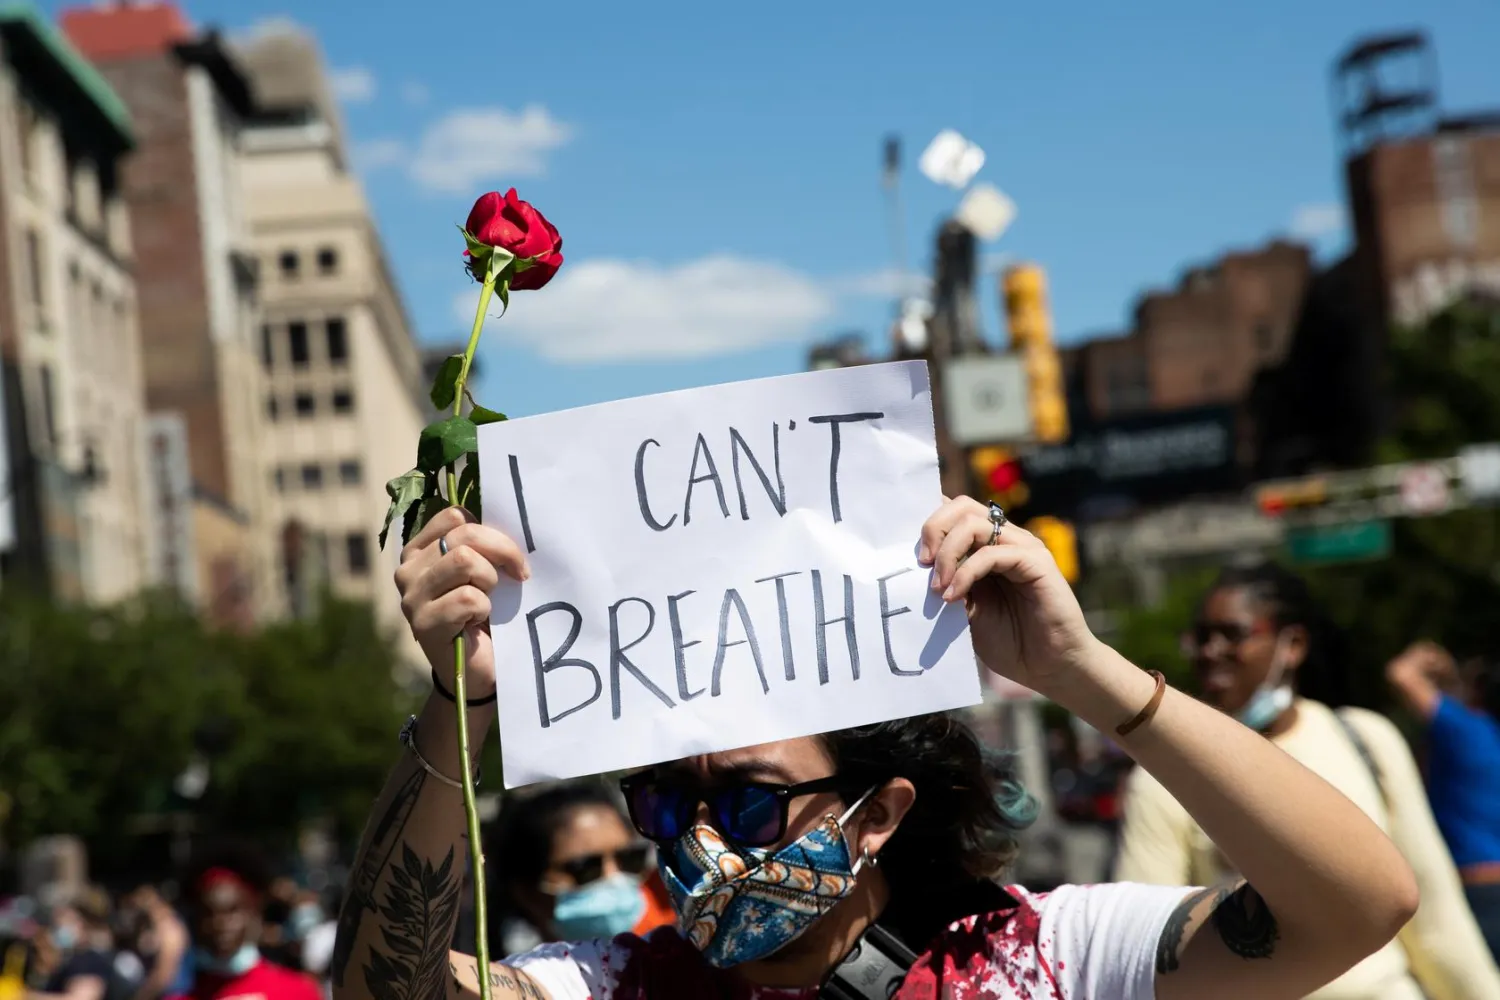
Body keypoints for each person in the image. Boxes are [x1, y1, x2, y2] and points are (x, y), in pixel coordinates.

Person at [333, 500, 1420, 999]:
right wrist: (453, 702)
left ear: (881, 810)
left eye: (754, 803)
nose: (704, 843)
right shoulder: (613, 987)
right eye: (667, 807)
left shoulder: (1053, 960)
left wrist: (1084, 670)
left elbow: (1357, 904)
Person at [1115, 563, 1500, 1000]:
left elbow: (1435, 916)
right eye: (1201, 637)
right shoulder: (1164, 775)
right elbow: (1143, 949)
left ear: (1292, 645)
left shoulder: (1366, 740)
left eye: (1232, 634)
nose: (1210, 651)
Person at [1388, 640, 1500, 959]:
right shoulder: (1483, 736)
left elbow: (1401, 675)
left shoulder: (1463, 730)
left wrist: (1427, 656)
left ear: (1476, 692)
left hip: (1475, 891)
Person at [488, 782, 676, 955]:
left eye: (628, 859)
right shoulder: (508, 986)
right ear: (527, 893)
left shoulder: (679, 954)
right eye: (585, 867)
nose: (614, 877)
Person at [169, 860, 321, 1000]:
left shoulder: (297, 990)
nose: (221, 924)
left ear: (252, 913)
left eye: (232, 911)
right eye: (209, 913)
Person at [27, 890, 134, 1000]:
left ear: (82, 925)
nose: (60, 926)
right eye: (56, 922)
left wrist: (24, 996)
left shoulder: (89, 961)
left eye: (67, 920)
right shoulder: (66, 960)